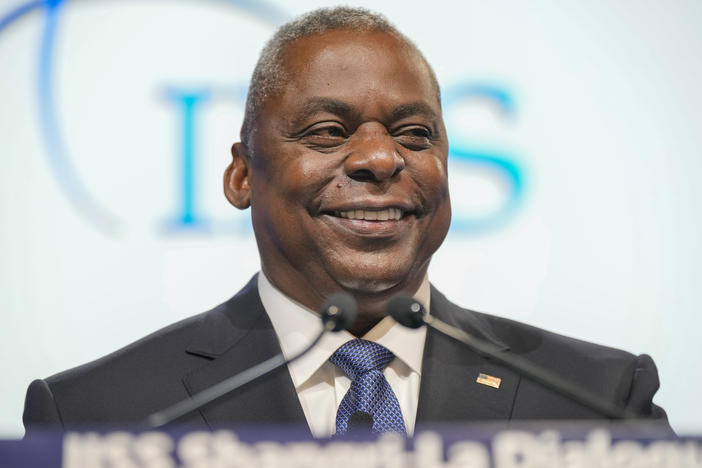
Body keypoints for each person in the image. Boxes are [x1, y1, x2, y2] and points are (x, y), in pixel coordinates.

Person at [22, 7, 668, 438]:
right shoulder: (100, 418)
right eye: (328, 132)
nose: (382, 159)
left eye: (414, 134)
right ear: (242, 175)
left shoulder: (597, 401)